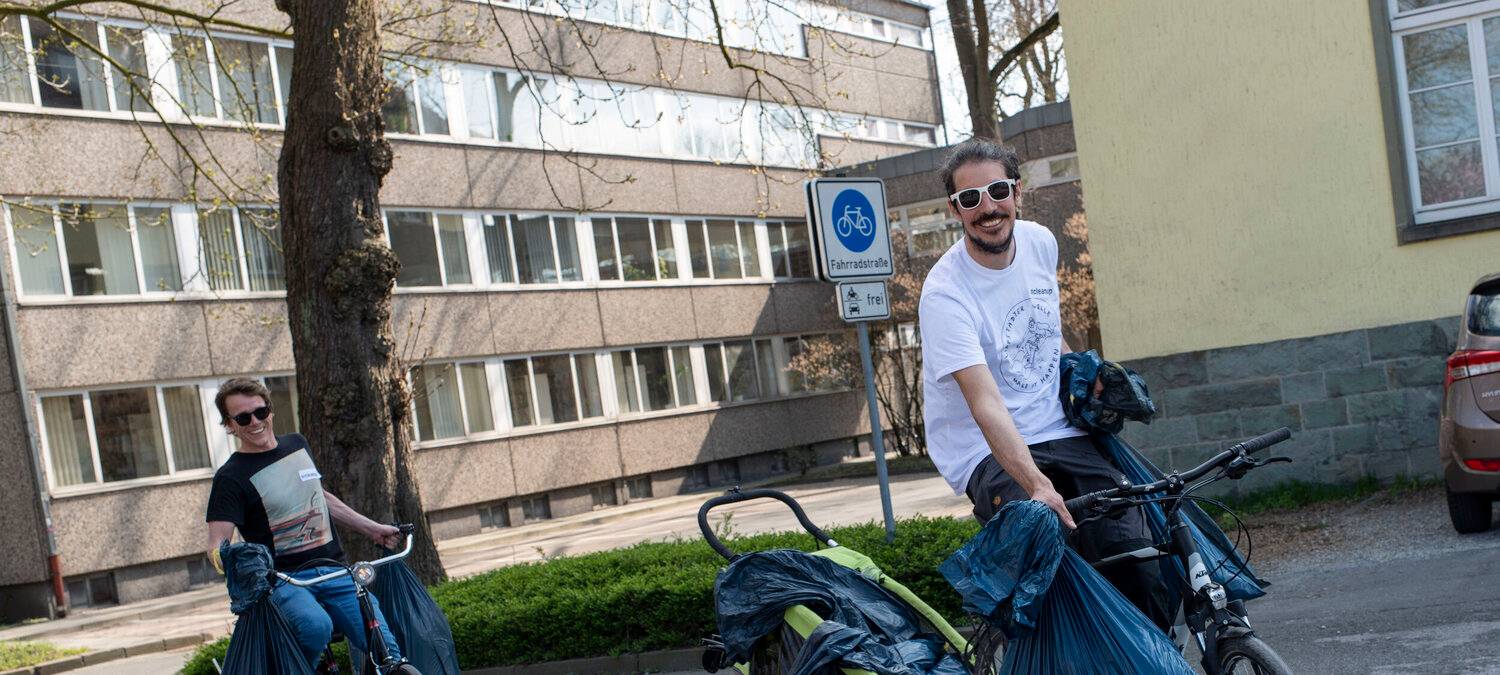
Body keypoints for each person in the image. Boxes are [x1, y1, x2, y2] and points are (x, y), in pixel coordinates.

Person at [918, 140, 1171, 629]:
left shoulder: (1039, 242)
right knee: (1050, 554)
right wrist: (1037, 485)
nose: (987, 208)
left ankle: (1149, 653)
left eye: (996, 191)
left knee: (1135, 548)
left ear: (1017, 191)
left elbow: (1043, 331)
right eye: (970, 199)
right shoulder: (945, 293)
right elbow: (985, 403)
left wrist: (1082, 374)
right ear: (955, 210)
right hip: (985, 448)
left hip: (1058, 428)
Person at [204, 378, 405, 665]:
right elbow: (216, 544)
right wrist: (233, 559)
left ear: (270, 411)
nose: (255, 422)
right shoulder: (230, 477)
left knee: (384, 646)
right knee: (315, 626)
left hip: (334, 569)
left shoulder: (297, 445)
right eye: (243, 418)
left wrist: (373, 530)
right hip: (284, 581)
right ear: (229, 425)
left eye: (260, 412)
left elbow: (320, 497)